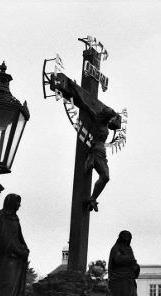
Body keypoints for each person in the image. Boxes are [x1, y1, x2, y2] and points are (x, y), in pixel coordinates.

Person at [50, 73, 123, 212]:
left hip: (102, 152)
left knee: (106, 177)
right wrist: (74, 88)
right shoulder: (96, 119)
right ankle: (92, 198)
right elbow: (84, 102)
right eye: (111, 116)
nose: (113, 120)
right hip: (96, 151)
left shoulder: (106, 125)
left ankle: (92, 198)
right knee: (105, 177)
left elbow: (115, 122)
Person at [108, 230, 140, 296]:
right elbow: (117, 260)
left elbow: (133, 262)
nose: (127, 240)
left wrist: (136, 267)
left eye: (129, 238)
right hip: (119, 281)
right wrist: (130, 259)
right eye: (125, 237)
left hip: (129, 280)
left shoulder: (129, 248)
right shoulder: (116, 248)